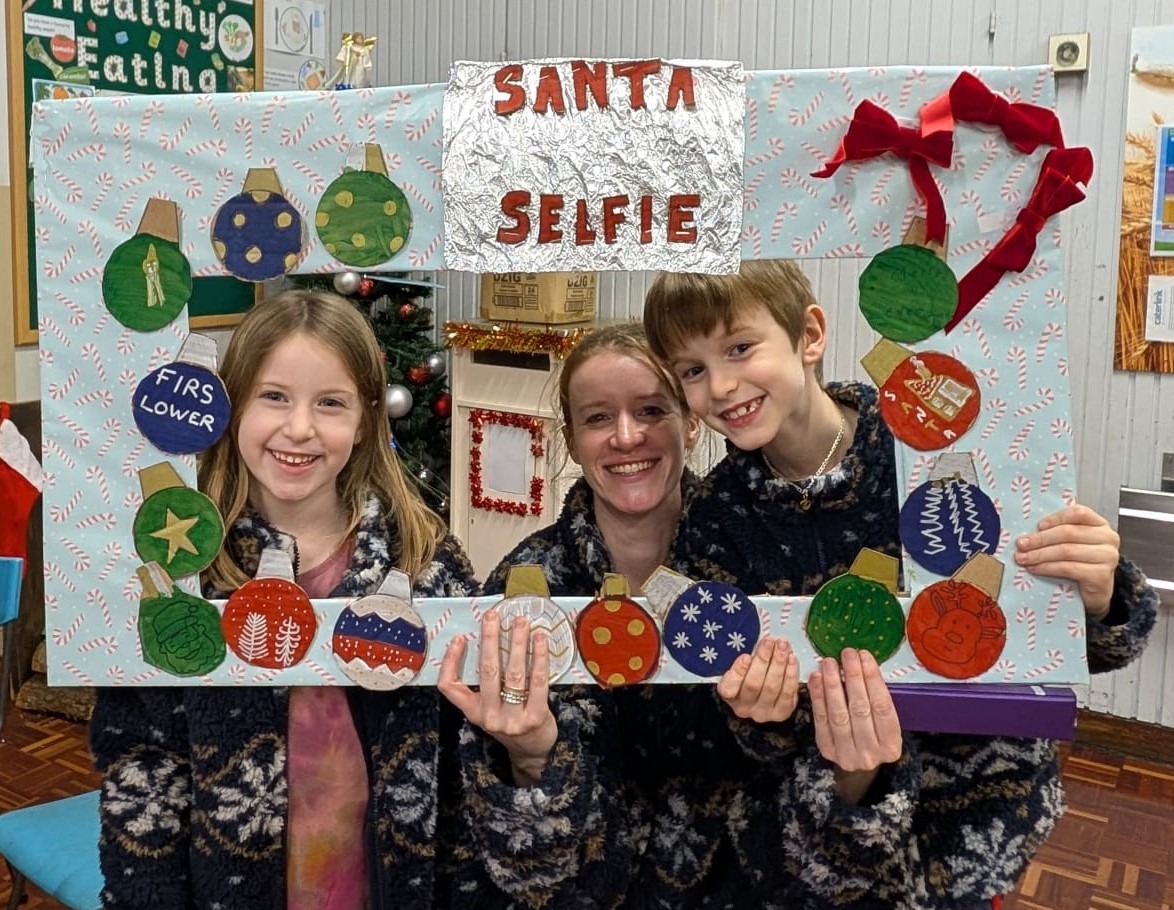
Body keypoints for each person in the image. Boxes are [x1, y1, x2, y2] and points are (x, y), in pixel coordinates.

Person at [641, 258, 1159, 908]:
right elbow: (727, 727)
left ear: (809, 336)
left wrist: (1099, 591)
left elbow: (1074, 640)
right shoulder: (717, 519)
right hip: (829, 842)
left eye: (739, 348)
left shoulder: (934, 446)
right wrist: (757, 716)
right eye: (692, 369)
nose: (720, 385)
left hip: (970, 831)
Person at [438, 322, 922, 908]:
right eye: (597, 418)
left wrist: (851, 775)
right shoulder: (528, 586)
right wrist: (532, 756)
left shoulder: (767, 563)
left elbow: (833, 865)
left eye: (650, 410)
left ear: (691, 422)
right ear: (570, 439)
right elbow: (521, 871)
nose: (625, 436)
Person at [89, 289, 480, 909]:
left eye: (330, 403)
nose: (299, 428)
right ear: (233, 404)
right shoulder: (185, 577)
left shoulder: (425, 564)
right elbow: (144, 766)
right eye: (274, 396)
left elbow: (469, 761)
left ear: (365, 420)